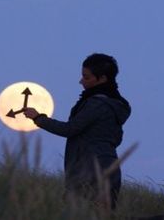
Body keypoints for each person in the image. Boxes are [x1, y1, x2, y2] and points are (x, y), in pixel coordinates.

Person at [23, 53, 131, 209]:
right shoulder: (114, 106)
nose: (81, 81)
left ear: (102, 79)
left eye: (86, 77)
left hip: (90, 170)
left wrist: (38, 118)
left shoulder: (97, 105)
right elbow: (115, 138)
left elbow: (70, 129)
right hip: (108, 167)